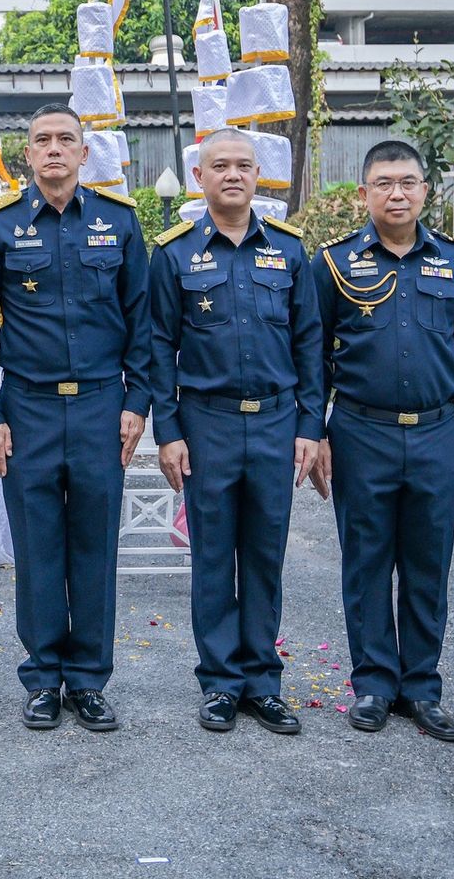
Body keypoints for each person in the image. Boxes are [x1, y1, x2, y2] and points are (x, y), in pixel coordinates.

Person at [0, 104, 149, 733]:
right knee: (38, 546)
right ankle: (43, 676)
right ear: (28, 154)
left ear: (84, 153)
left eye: (66, 139)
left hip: (99, 406)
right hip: (28, 407)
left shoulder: (119, 223)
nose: (54, 150)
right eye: (42, 140)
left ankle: (90, 680)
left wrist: (136, 402)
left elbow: (142, 320)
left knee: (95, 546)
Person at [308, 141, 454, 742]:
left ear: (425, 191)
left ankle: (421, 687)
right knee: (366, 560)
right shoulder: (334, 263)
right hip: (361, 433)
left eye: (408, 183)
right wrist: (315, 431)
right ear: (364, 193)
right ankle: (373, 684)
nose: (397, 194)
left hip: (439, 432)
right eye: (384, 183)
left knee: (427, 563)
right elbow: (312, 356)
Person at [150, 129, 324, 736]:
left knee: (264, 554)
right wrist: (168, 431)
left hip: (276, 422)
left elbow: (310, 343)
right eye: (219, 166)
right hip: (208, 423)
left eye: (243, 166)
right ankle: (221, 683)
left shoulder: (288, 250)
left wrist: (310, 424)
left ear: (257, 175)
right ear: (199, 178)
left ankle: (263, 683)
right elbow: (158, 347)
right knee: (213, 555)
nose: (232, 175)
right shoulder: (174, 254)